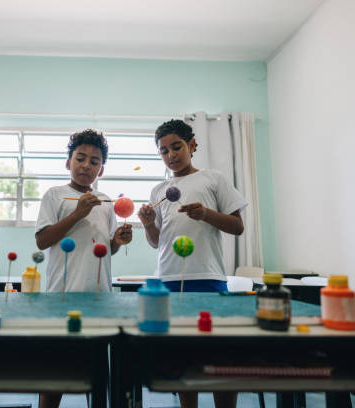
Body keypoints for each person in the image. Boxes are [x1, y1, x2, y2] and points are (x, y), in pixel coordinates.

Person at [138, 119, 246, 408]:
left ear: (193, 146)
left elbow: (237, 227)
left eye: (177, 147)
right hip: (168, 281)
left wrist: (206, 214)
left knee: (218, 355)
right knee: (181, 357)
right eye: (163, 151)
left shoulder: (213, 179)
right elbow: (156, 241)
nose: (171, 155)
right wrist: (149, 225)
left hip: (208, 276)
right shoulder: (158, 190)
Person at [35, 129, 132, 408]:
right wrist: (79, 212)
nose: (86, 165)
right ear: (68, 163)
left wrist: (117, 240)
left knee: (96, 372)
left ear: (101, 169)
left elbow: (107, 248)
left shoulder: (105, 202)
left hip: (100, 298)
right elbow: (42, 241)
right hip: (61, 297)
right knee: (57, 373)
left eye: (94, 161)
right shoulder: (55, 195)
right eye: (80, 158)